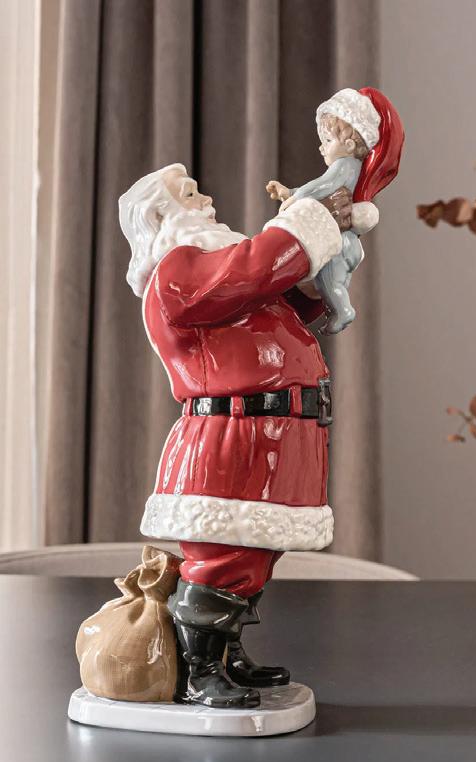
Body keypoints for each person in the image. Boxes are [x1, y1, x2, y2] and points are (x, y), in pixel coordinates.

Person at [119, 164, 351, 708]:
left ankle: (226, 652)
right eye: (190, 195)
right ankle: (199, 670)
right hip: (231, 434)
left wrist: (326, 251)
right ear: (161, 215)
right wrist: (305, 223)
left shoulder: (219, 274)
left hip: (274, 433)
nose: (206, 200)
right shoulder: (179, 271)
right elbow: (251, 269)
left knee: (257, 552)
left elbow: (287, 300)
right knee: (223, 553)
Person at [267, 87, 404, 334]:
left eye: (328, 141)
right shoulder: (347, 168)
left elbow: (322, 186)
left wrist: (296, 196)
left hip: (339, 242)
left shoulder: (344, 165)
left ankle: (342, 311)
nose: (322, 148)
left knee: (329, 281)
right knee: (327, 281)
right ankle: (337, 309)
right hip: (344, 240)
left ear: (349, 145)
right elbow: (320, 190)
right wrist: (289, 193)